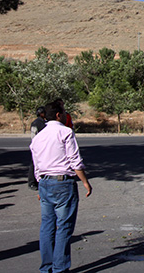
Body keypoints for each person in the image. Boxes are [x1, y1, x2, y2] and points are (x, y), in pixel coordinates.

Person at [30, 100, 92, 273]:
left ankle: (47, 267)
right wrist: (86, 182)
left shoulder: (38, 137)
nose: (66, 115)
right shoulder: (65, 132)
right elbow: (75, 160)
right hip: (62, 183)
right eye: (64, 112)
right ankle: (60, 268)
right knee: (64, 226)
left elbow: (36, 165)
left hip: (45, 182)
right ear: (58, 115)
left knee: (47, 225)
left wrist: (39, 184)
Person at [27, 106, 47, 190]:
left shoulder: (45, 122)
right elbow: (33, 136)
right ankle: (32, 182)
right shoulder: (36, 123)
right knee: (34, 164)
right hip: (38, 146)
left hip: (43, 146)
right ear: (41, 113)